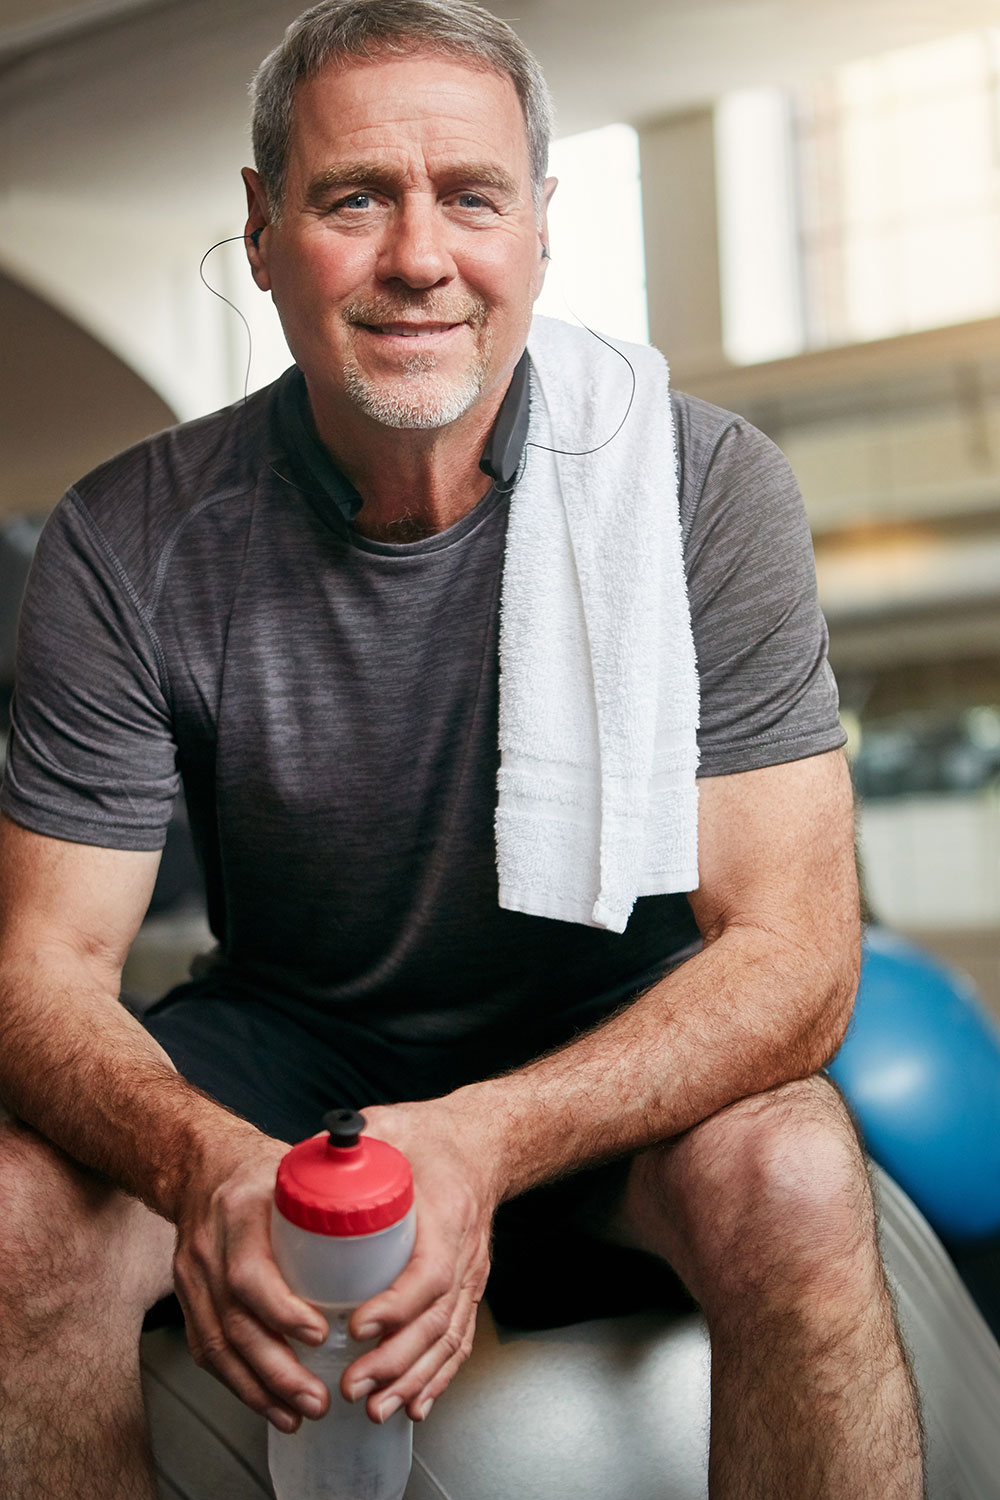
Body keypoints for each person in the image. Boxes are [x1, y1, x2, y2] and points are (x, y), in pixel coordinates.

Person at [0, 2, 924, 1496]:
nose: (420, 256)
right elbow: (41, 971)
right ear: (263, 228)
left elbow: (800, 957)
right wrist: (207, 1168)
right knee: (10, 1215)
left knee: (800, 1169)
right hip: (293, 1049)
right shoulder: (128, 537)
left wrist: (482, 1143)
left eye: (472, 197)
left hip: (610, 1039)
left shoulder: (702, 487)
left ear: (541, 231)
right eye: (354, 196)